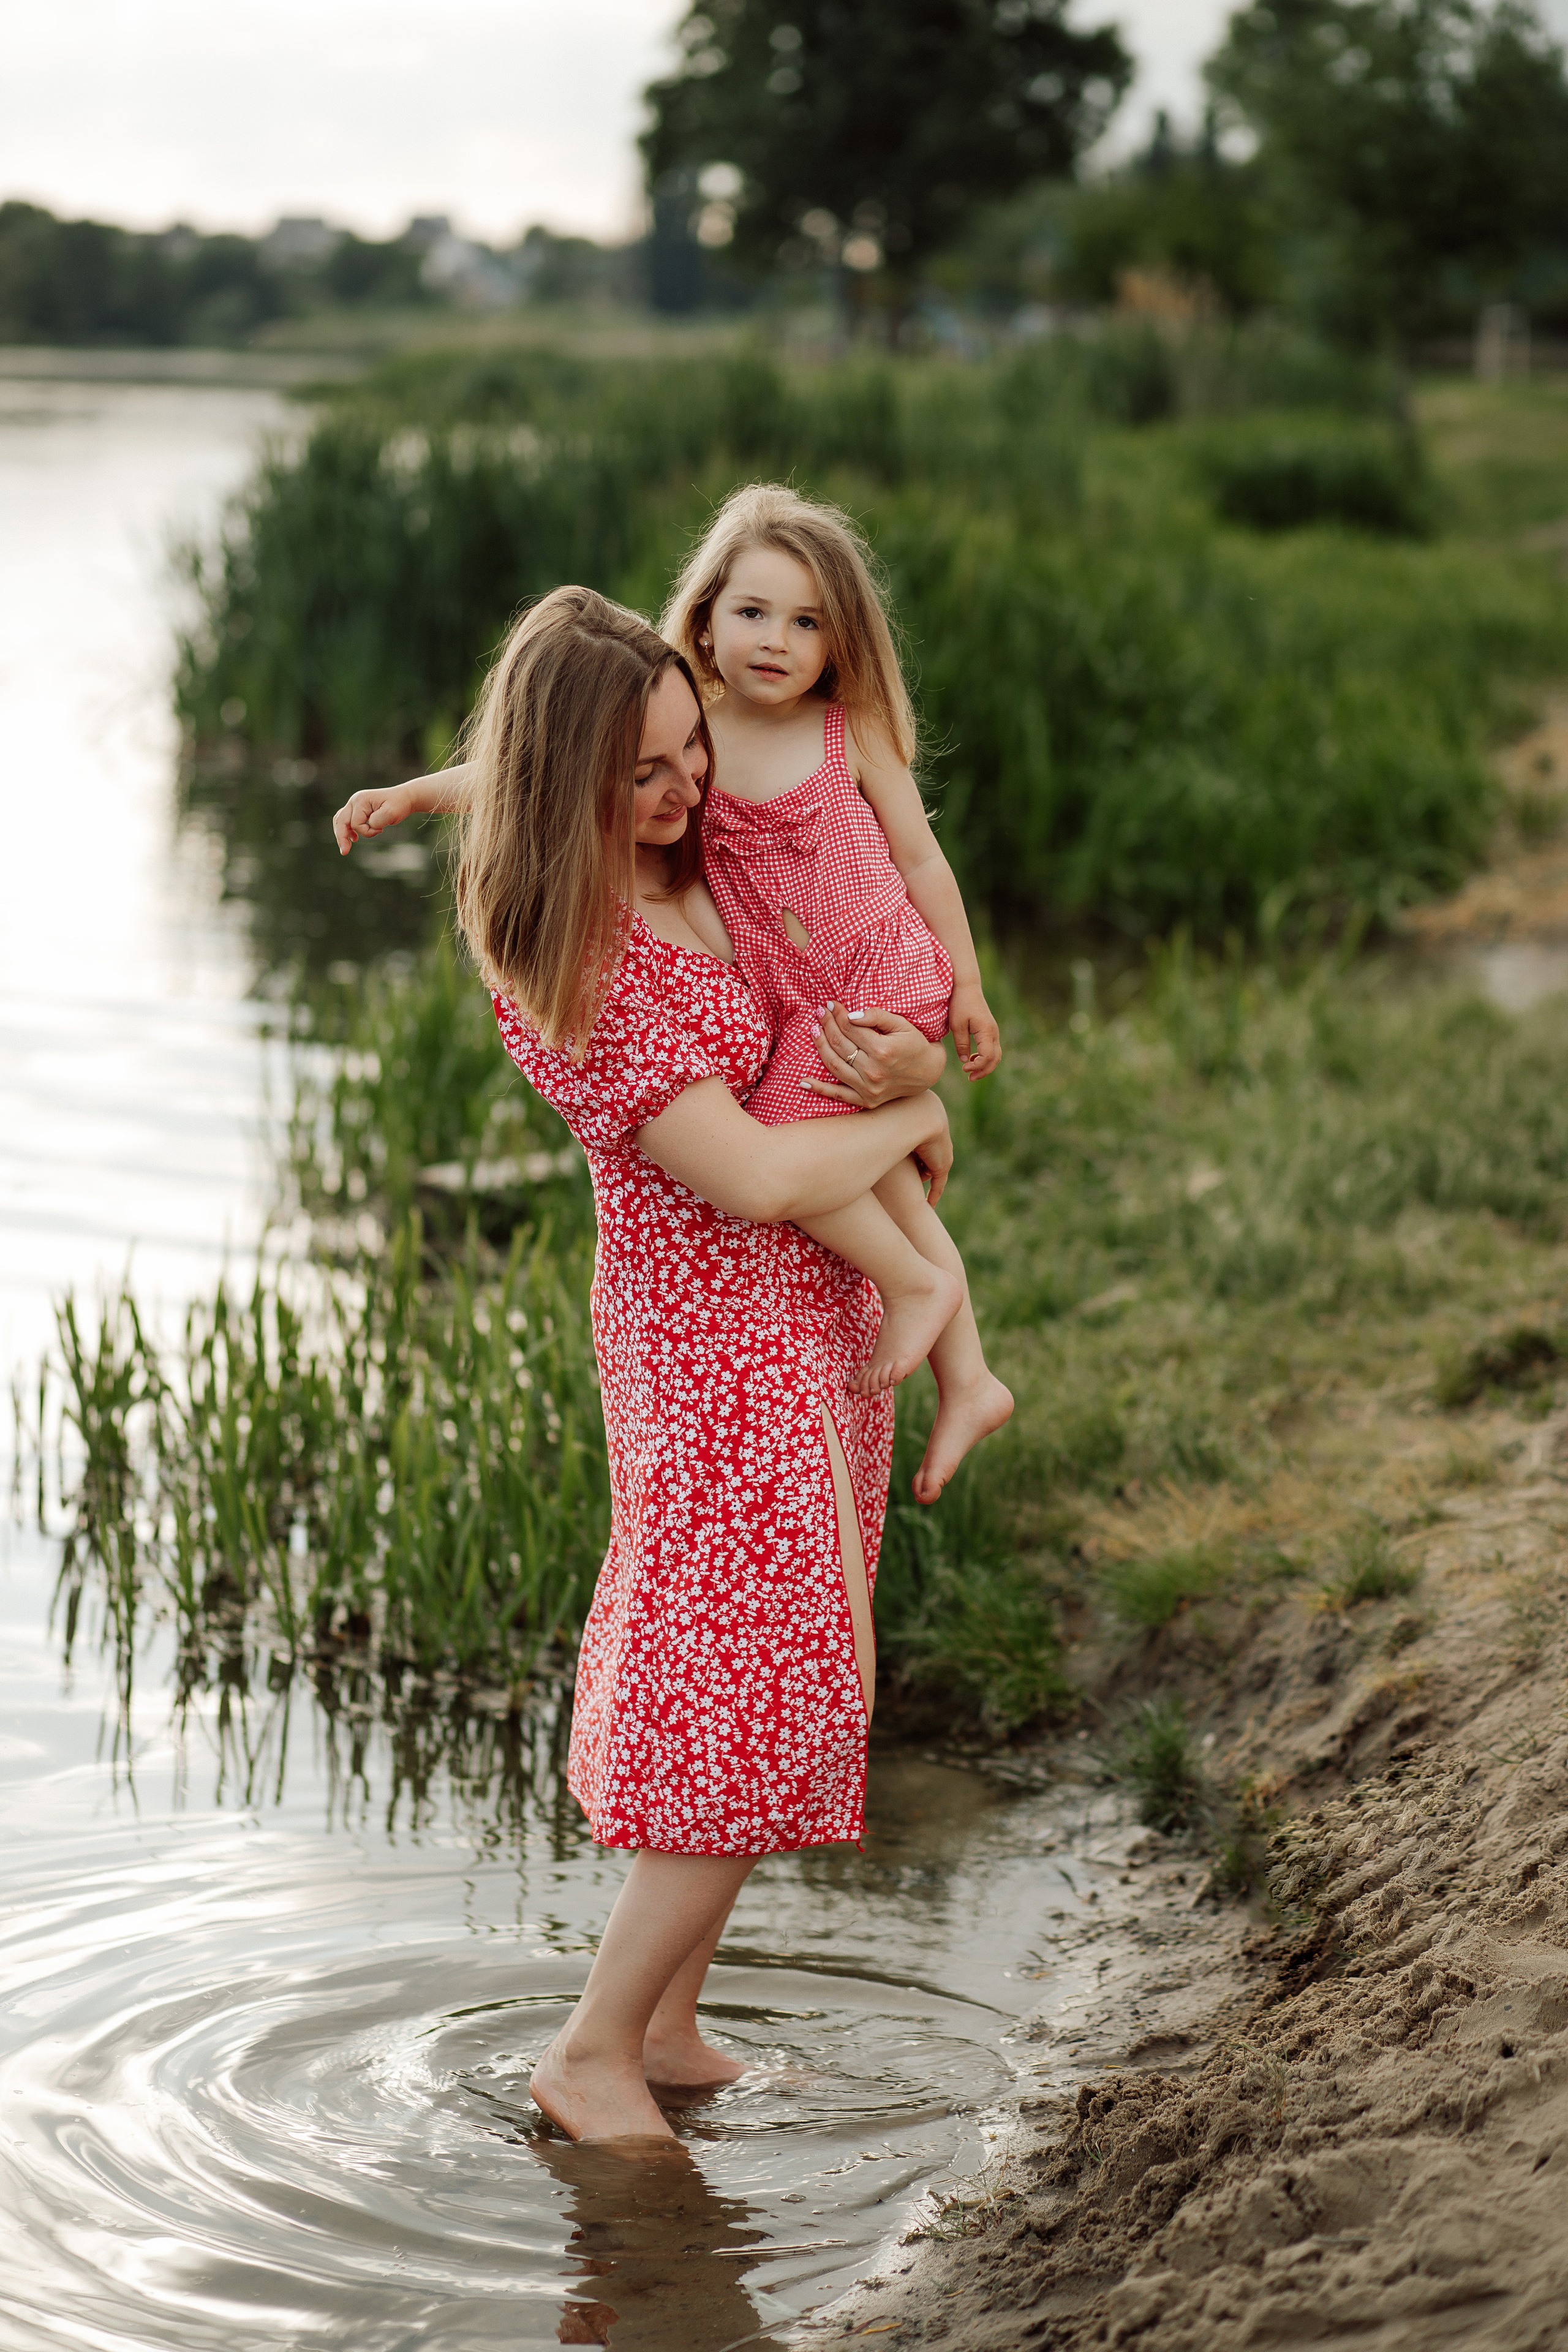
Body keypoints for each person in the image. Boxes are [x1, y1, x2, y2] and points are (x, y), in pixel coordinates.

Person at [333, 587, 953, 2144]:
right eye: (648, 775)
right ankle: (589, 2051)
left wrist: (920, 1067)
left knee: (780, 1665)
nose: (689, 792)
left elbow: (567, 762)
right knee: (748, 1687)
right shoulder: (580, 955)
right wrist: (917, 1125)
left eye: (690, 751)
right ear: (571, 791)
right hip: (708, 1343)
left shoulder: (673, 856)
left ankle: (668, 2026)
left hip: (796, 1319)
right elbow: (744, 1176)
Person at [662, 482, 1012, 1504]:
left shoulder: (843, 728)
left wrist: (970, 990)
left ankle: (916, 1288)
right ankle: (970, 1373)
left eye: (807, 621)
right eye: (754, 612)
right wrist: (416, 794)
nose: (776, 639)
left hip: (875, 974)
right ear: (705, 619)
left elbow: (922, 858)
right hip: (802, 1000)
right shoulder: (694, 737)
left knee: (784, 1119)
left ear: (837, 641)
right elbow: (541, 771)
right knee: (887, 1172)